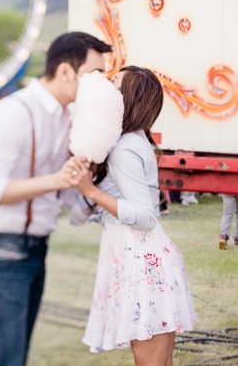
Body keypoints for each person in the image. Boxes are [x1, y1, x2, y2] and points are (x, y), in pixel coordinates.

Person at [0, 32, 111, 366]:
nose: (100, 85)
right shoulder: (12, 112)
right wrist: (59, 179)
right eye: (94, 75)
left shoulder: (66, 119)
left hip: (35, 249)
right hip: (2, 252)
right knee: (8, 359)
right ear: (65, 72)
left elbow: (68, 201)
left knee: (14, 357)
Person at [71, 66, 197, 364]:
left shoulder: (125, 148)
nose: (106, 89)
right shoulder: (128, 142)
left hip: (142, 264)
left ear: (127, 98)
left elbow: (145, 215)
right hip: (139, 258)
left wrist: (91, 191)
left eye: (114, 84)